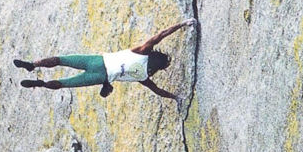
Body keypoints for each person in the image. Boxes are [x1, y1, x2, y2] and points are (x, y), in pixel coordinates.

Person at [14, 18, 196, 101]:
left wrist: (183, 23)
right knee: (64, 84)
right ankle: (40, 83)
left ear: (155, 54)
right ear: (158, 68)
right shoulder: (143, 76)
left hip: (97, 61)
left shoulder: (142, 51)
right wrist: (177, 97)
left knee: (61, 59)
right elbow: (158, 91)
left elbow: (161, 35)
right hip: (100, 78)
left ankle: (32, 64)